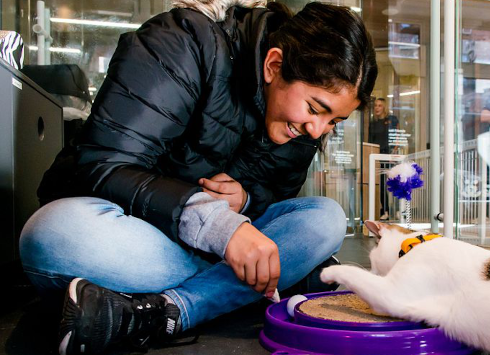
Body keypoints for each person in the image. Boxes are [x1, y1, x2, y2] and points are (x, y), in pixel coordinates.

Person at [18, 1, 377, 354]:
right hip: (136, 232)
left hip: (205, 252)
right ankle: (261, 282)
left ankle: (169, 311)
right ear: (274, 64)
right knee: (53, 236)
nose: (317, 130)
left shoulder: (304, 128)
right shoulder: (183, 41)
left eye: (333, 121)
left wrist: (246, 201)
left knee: (325, 217)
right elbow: (105, 165)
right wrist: (218, 225)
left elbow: (274, 201)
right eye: (315, 108)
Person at [368, 98, 398, 220]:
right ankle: (385, 211)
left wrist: (393, 152)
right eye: (375, 105)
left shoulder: (391, 120)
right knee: (381, 185)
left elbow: (396, 137)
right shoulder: (373, 123)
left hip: (390, 156)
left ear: (384, 107)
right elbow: (371, 142)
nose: (377, 108)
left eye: (380, 105)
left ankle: (396, 210)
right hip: (378, 157)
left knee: (394, 182)